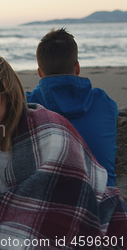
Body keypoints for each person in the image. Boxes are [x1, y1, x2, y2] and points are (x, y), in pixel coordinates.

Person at [0, 54, 126, 247]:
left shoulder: (49, 130)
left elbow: (67, 206)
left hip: (88, 218)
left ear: (8, 93)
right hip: (15, 229)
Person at [26, 28, 118, 186]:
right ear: (77, 68)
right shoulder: (104, 102)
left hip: (57, 204)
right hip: (105, 201)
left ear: (40, 73)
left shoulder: (28, 106)